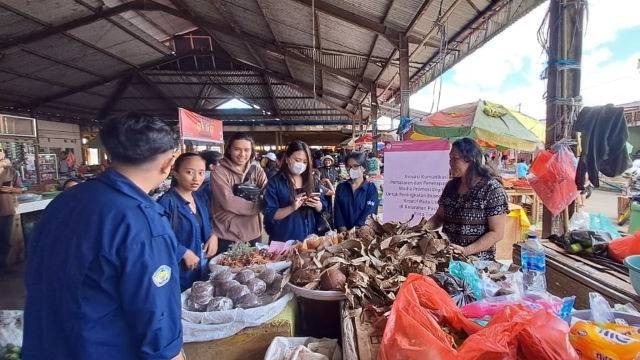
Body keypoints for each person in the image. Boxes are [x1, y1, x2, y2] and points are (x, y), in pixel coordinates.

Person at [23, 112, 185, 360]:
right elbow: (154, 311)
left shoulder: (66, 200)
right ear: (168, 163)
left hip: (48, 343)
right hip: (103, 348)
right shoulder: (143, 223)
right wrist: (171, 353)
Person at [427, 138, 508, 261]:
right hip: (448, 257)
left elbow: (496, 233)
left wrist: (466, 250)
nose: (450, 163)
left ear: (470, 160)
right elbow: (439, 217)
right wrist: (421, 228)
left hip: (477, 262)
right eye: (450, 158)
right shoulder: (451, 186)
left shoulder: (492, 190)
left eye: (455, 158)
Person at [158, 153, 216, 291]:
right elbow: (160, 237)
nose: (197, 178)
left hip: (202, 266)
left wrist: (214, 235)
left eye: (201, 173)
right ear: (176, 173)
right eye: (189, 172)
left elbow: (209, 221)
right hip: (180, 272)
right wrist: (183, 252)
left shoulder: (199, 197)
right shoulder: (167, 202)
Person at [211, 133, 267, 253]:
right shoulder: (219, 172)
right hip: (227, 235)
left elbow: (268, 196)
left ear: (252, 151)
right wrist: (257, 206)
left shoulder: (257, 170)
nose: (242, 154)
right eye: (237, 149)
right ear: (229, 150)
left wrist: (235, 213)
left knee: (254, 269)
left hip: (253, 233)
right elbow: (228, 201)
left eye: (246, 150)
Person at [264, 140, 328, 242]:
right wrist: (292, 207)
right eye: (297, 160)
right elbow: (270, 214)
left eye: (305, 162)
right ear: (287, 159)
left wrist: (318, 205)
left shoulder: (312, 180)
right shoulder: (274, 183)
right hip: (284, 239)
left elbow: (324, 206)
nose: (301, 164)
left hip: (310, 239)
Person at [334, 152, 379, 232]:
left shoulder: (371, 188)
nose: (351, 169)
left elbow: (370, 212)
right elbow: (338, 211)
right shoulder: (341, 187)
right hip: (343, 234)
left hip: (364, 233)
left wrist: (355, 230)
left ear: (363, 168)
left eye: (355, 166)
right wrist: (343, 229)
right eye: (349, 167)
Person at [0, 152, 22, 274]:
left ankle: (3, 267)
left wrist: (11, 189)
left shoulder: (11, 171)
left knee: (5, 240)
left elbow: (20, 189)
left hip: (6, 210)